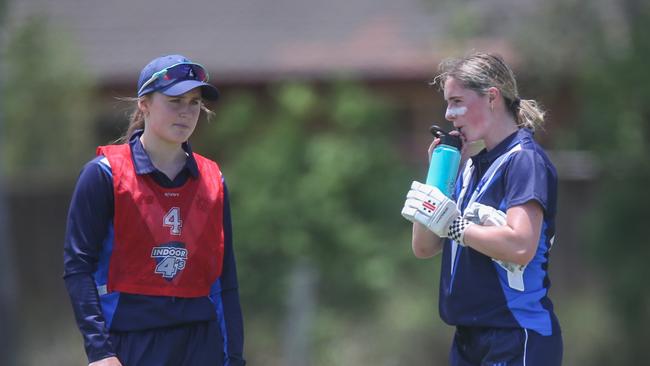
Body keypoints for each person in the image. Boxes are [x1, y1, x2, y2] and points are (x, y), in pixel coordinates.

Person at [63, 54, 246, 366]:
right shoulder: (104, 174)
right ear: (144, 104)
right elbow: (78, 268)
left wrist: (235, 357)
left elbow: (224, 279)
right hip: (131, 342)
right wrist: (99, 351)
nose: (186, 112)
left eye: (194, 102)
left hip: (202, 343)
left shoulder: (214, 179)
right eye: (175, 100)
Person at [401, 52, 562, 365]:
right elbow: (424, 246)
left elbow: (520, 245)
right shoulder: (471, 167)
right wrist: (440, 172)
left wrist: (456, 226)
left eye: (457, 101)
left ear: (491, 98)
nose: (449, 114)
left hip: (516, 336)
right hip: (468, 340)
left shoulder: (523, 160)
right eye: (447, 103)